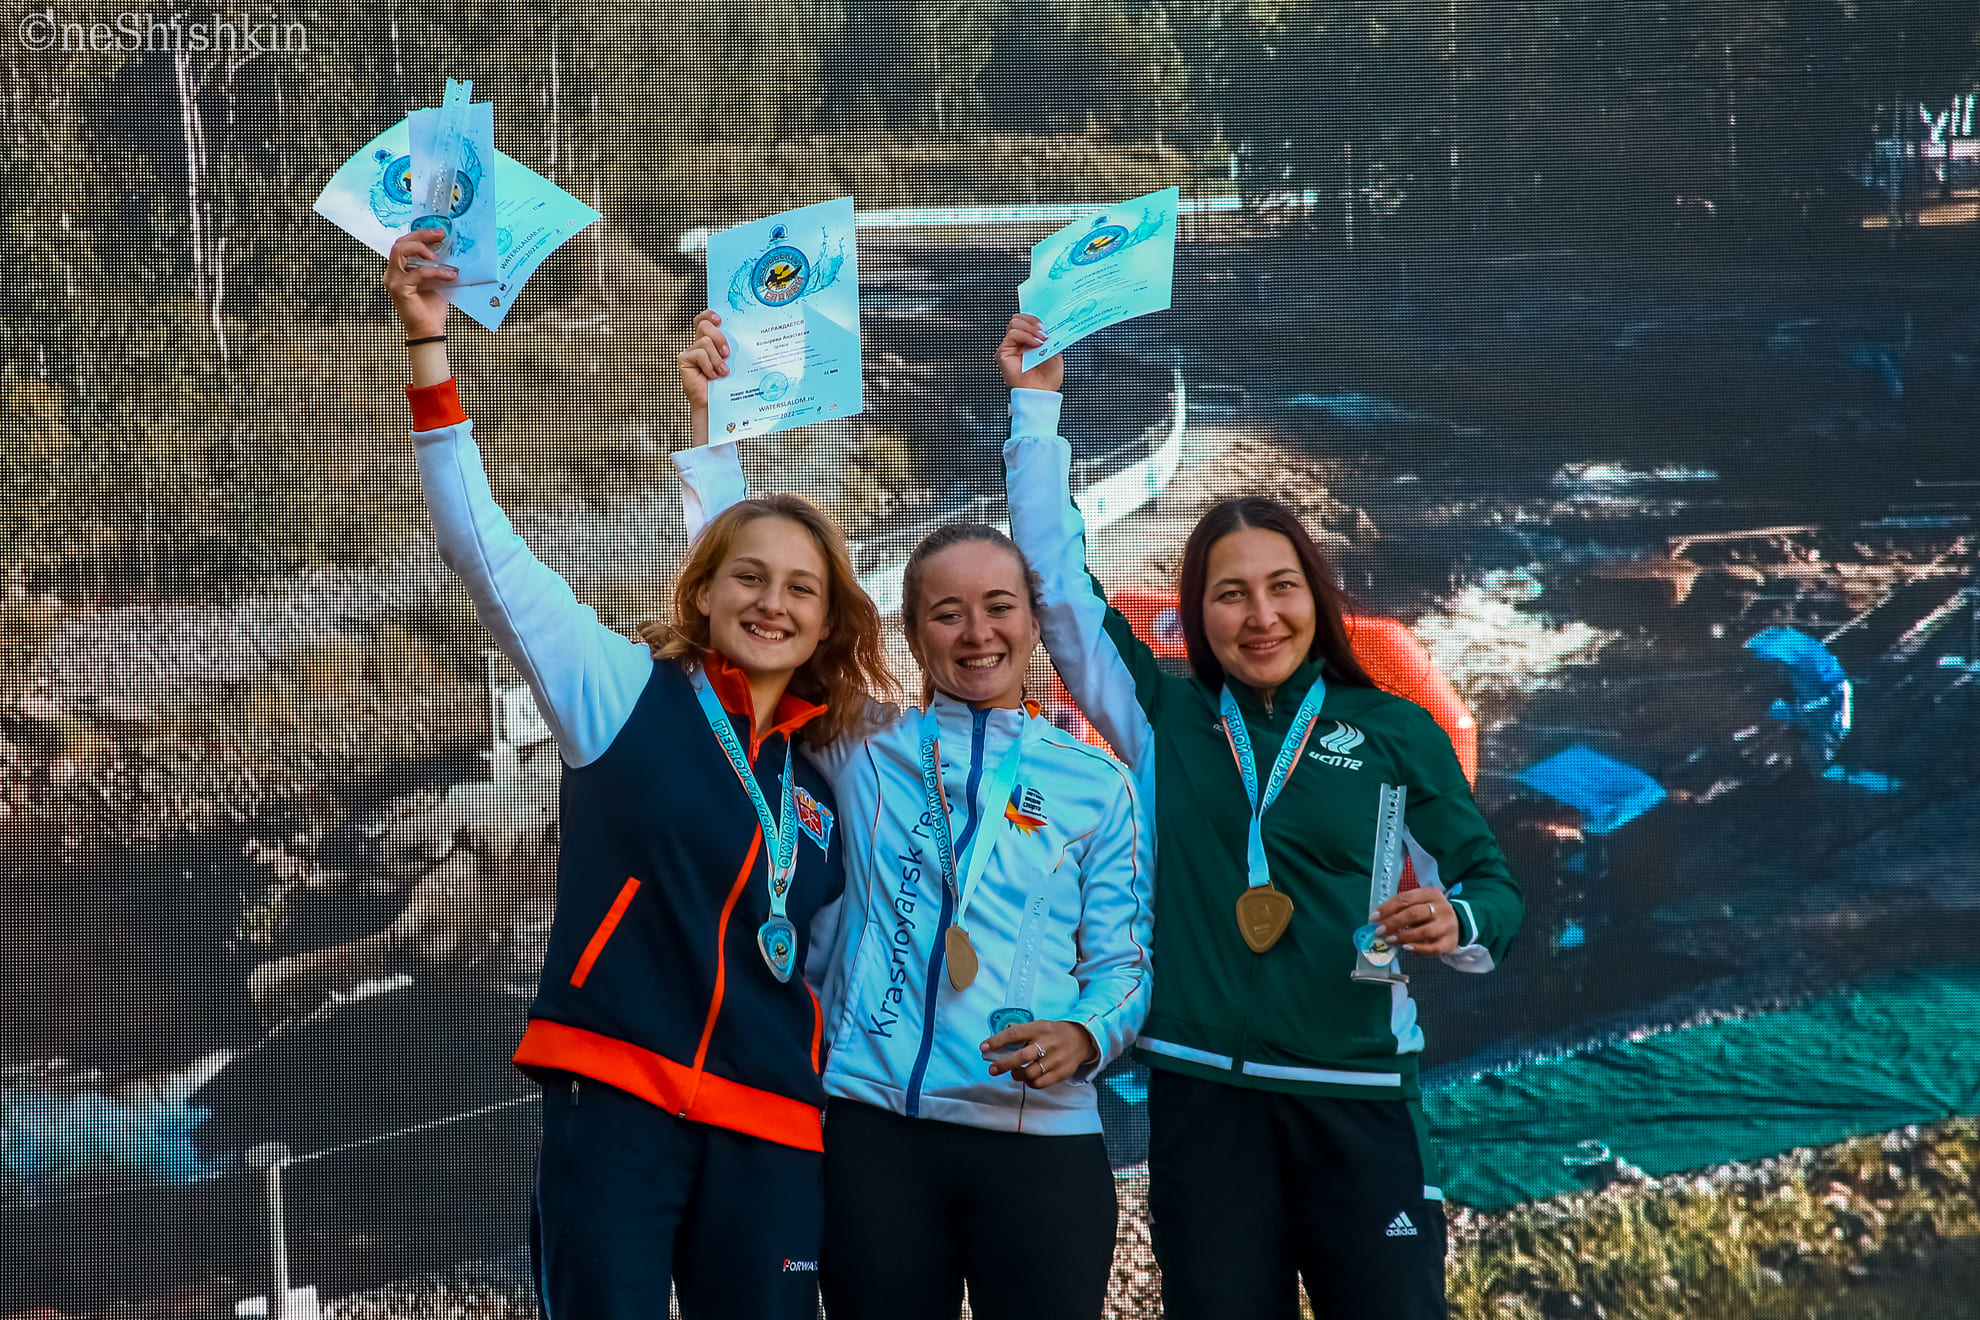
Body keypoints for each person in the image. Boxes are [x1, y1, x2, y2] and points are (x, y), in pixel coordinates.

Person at [383, 232, 894, 1320]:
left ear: (829, 622)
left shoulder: (827, 774)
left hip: (772, 1127)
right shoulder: (616, 692)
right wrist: (429, 345)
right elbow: (482, 548)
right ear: (702, 593)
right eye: (747, 580)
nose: (772, 603)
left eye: (801, 590)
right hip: (614, 1093)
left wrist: (716, 433)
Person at [997, 313, 1523, 1320]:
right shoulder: (1162, 714)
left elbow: (1492, 894)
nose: (1260, 615)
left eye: (1282, 588)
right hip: (1207, 1103)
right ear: (1197, 615)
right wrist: (1035, 407)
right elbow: (1058, 589)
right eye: (1230, 595)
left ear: (1317, 598)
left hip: (1360, 1101)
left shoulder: (1394, 729)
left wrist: (1456, 920)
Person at [676, 312, 1153, 1320]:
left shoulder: (1097, 784)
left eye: (1000, 608)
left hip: (1041, 1143)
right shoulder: (862, 743)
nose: (977, 633)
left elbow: (1125, 962)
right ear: (913, 631)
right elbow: (749, 633)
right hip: (873, 1135)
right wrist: (713, 434)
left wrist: (1087, 1032)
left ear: (1034, 623)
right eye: (947, 612)